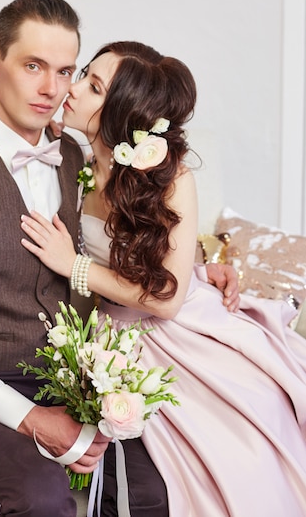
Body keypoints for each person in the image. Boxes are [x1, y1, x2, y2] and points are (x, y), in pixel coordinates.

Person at [0, 0, 238, 517]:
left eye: (64, 71)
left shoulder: (83, 154)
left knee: (154, 491)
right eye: (33, 66)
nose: (51, 89)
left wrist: (201, 266)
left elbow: (134, 233)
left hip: (78, 373)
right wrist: (31, 418)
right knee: (42, 497)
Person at [20, 40, 306, 517]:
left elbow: (167, 300)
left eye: (92, 87)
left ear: (119, 113)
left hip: (179, 328)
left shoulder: (172, 178)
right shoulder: (67, 160)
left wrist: (75, 266)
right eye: (86, 73)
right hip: (115, 336)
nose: (71, 89)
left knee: (245, 444)